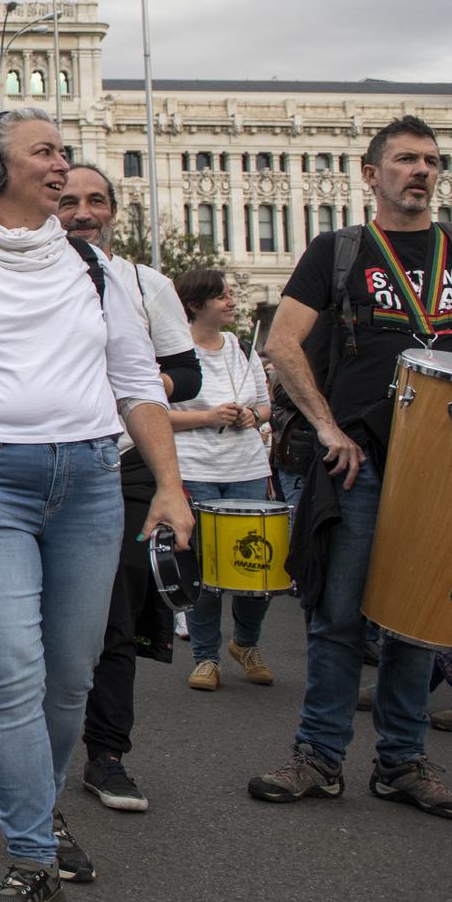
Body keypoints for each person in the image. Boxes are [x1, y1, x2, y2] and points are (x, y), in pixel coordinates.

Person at [0, 95, 191, 902]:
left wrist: (169, 484)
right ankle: (31, 858)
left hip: (91, 483)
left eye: (65, 153)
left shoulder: (96, 270)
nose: (64, 166)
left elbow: (136, 383)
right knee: (10, 671)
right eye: (46, 153)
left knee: (71, 675)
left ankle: (43, 810)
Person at [252, 114, 452, 822]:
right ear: (370, 174)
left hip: (451, 466)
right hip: (363, 460)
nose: (420, 171)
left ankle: (400, 762)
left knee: (417, 619)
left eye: (430, 160)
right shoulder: (340, 251)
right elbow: (284, 342)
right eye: (403, 160)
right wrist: (328, 426)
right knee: (337, 615)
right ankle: (319, 757)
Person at [55, 162, 202, 814]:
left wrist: (138, 388)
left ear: (113, 210)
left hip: (124, 461)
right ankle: (9, 742)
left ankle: (107, 752)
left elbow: (187, 373)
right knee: (30, 615)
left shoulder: (147, 283)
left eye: (95, 200)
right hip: (47, 463)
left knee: (112, 611)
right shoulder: (23, 282)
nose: (82, 212)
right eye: (67, 201)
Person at [168, 268, 276, 693]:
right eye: (222, 296)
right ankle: (206, 657)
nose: (232, 301)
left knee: (256, 569)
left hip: (248, 470)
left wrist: (253, 416)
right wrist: (209, 417)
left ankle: (245, 644)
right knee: (204, 571)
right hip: (196, 470)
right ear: (196, 306)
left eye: (231, 294)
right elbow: (153, 417)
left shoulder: (242, 347)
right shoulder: (174, 354)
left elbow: (266, 406)